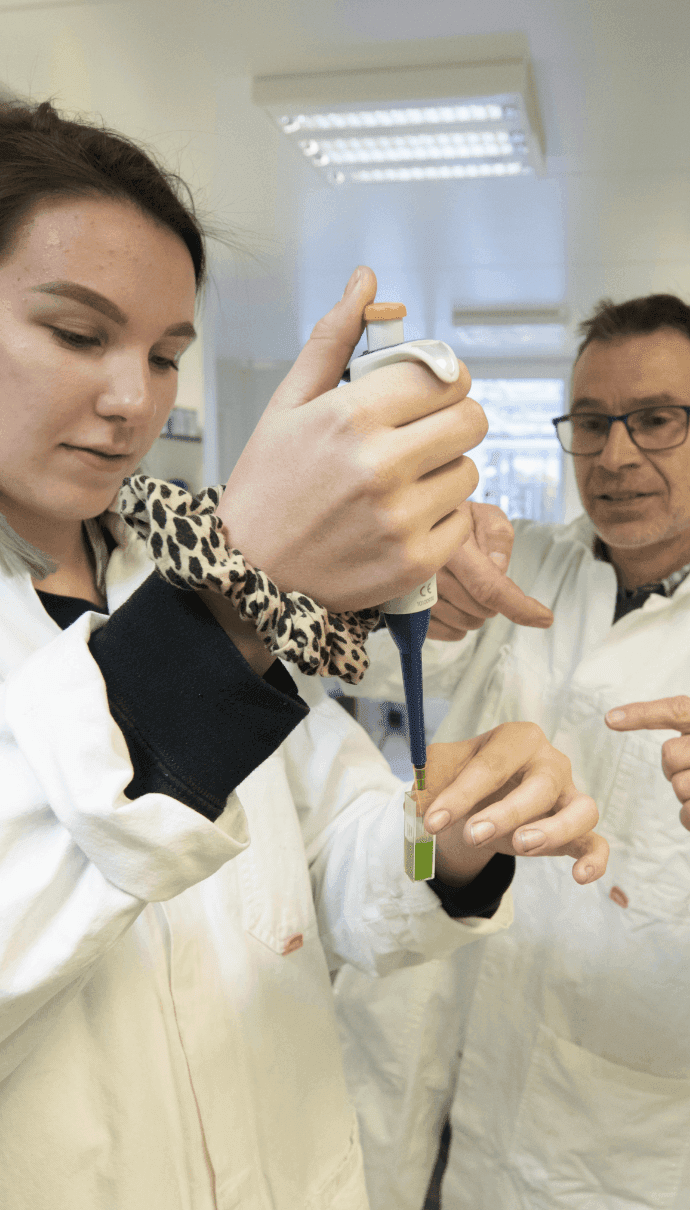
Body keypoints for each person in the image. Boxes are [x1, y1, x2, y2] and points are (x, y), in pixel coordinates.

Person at [0, 96, 609, 1210]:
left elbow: (349, 873)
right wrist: (239, 591)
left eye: (167, 353)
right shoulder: (210, 593)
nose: (133, 398)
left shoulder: (160, 567)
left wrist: (451, 848)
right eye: (78, 333)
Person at [336, 292, 690, 1210]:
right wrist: (411, 571)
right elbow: (360, 662)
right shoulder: (520, 561)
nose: (616, 456)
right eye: (591, 423)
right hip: (448, 1041)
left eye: (657, 421)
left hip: (618, 1120)